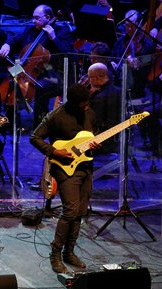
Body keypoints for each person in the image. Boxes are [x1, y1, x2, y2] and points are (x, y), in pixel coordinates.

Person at [30, 84, 100, 273]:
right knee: (70, 211)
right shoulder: (56, 116)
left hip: (85, 167)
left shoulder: (89, 113)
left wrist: (96, 146)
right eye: (83, 105)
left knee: (80, 212)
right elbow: (35, 137)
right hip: (64, 168)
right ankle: (55, 254)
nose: (86, 107)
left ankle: (69, 252)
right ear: (73, 103)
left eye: (87, 104)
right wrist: (54, 151)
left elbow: (93, 138)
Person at [0, 4, 75, 128]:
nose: (34, 20)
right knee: (8, 77)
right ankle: (11, 121)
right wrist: (7, 44)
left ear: (48, 17)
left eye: (37, 18)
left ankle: (40, 125)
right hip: (28, 68)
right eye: (33, 17)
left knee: (40, 88)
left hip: (53, 72)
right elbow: (15, 39)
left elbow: (67, 54)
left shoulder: (61, 31)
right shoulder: (30, 29)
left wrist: (54, 37)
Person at [111, 9, 154, 99]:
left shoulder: (147, 44)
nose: (129, 29)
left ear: (139, 24)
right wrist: (112, 63)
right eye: (127, 26)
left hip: (136, 86)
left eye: (132, 26)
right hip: (118, 83)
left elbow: (148, 66)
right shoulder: (120, 42)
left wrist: (137, 65)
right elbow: (112, 58)